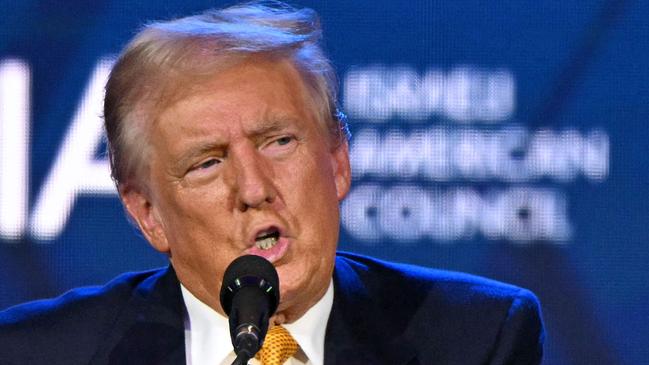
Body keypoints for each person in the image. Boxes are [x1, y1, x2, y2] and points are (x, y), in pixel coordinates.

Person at [0, 2, 544, 364]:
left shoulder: (475, 337)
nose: (254, 188)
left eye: (279, 142)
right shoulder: (35, 352)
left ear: (337, 161)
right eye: (207, 163)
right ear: (148, 215)